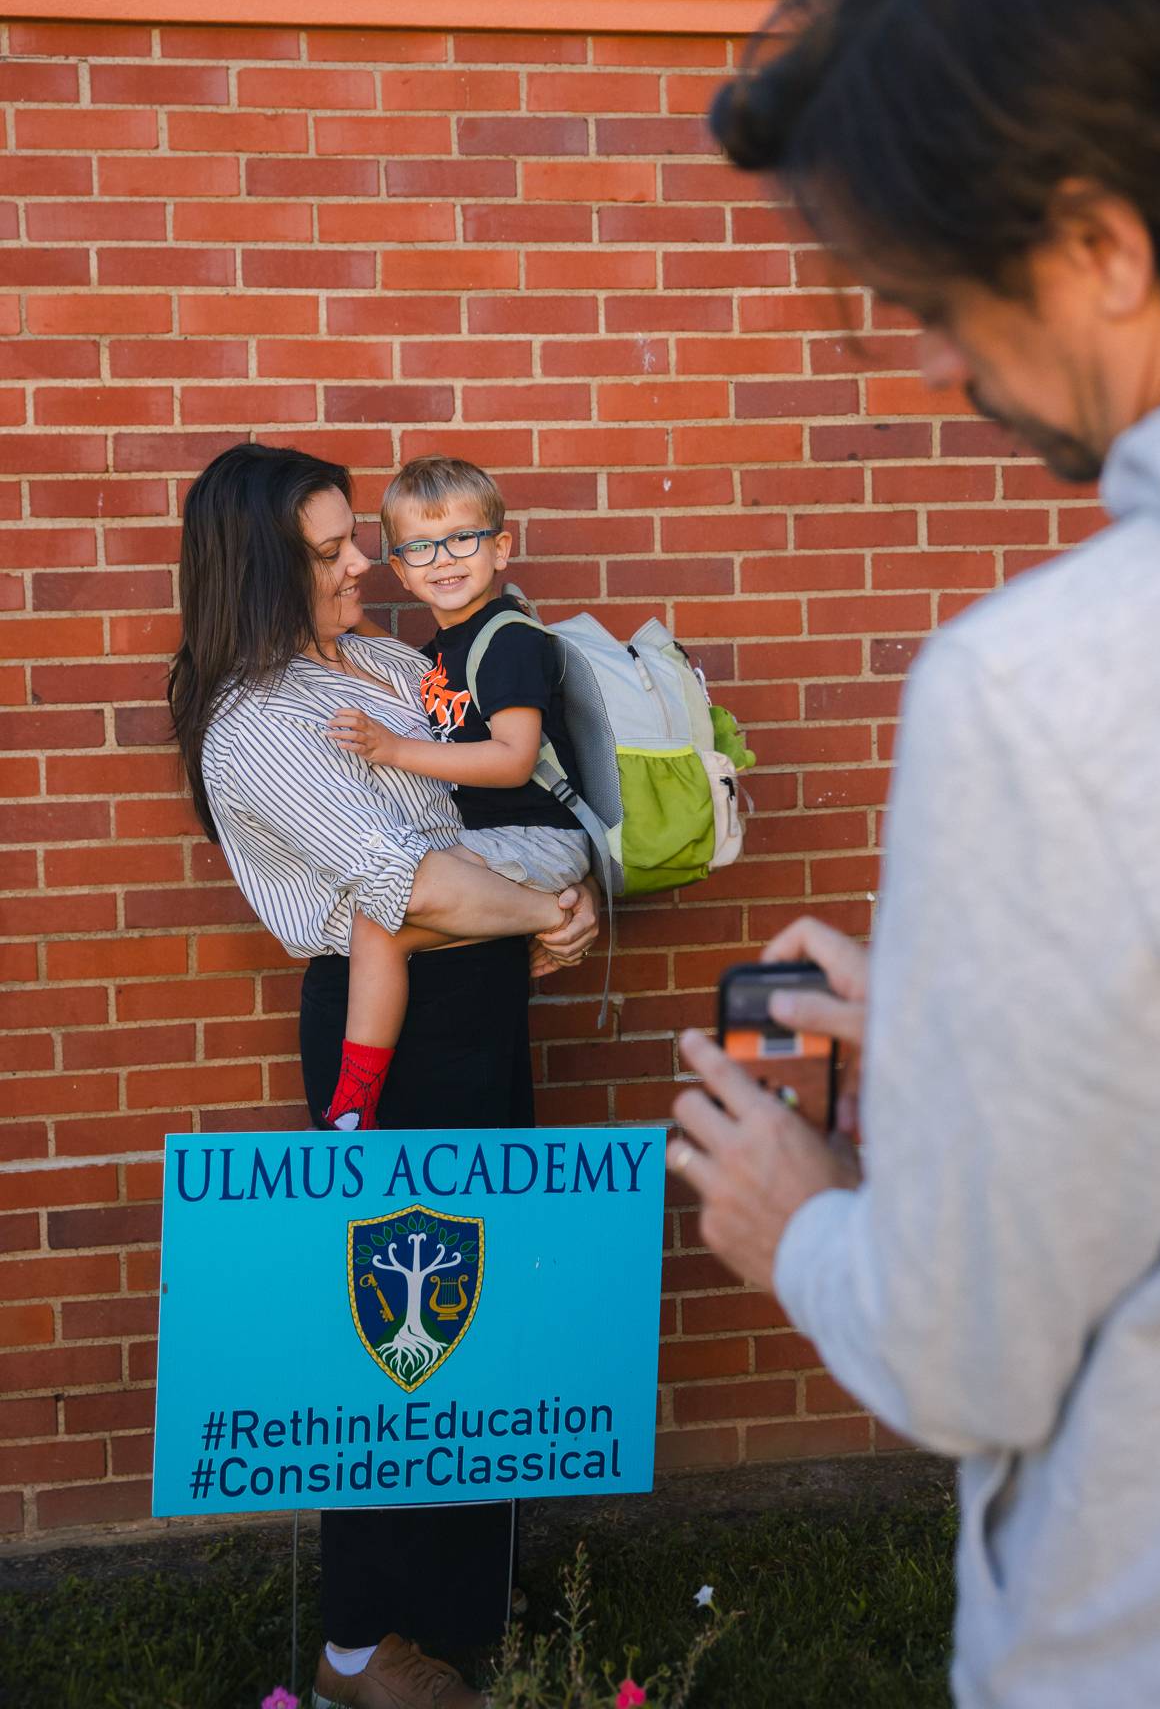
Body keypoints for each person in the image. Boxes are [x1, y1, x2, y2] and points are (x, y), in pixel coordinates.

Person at [669, 0, 1160, 1708]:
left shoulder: (1051, 691)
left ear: (1098, 245)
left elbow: (965, 1350)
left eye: (933, 304)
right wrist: (988, 1032)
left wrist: (805, 1220)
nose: (933, 370)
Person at [169, 439, 598, 1709]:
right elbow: (410, 887)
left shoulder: (391, 666)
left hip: (481, 1006)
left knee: (484, 1310)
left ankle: (459, 1609)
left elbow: (494, 819)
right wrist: (547, 909)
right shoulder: (254, 726)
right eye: (329, 550)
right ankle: (357, 1641)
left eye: (355, 535)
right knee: (391, 1339)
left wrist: (563, 898)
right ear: (261, 571)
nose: (365, 562)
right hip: (387, 1037)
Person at [322, 455, 591, 1132]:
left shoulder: (509, 641)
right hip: (493, 840)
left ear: (500, 547)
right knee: (382, 923)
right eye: (420, 547)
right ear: (401, 569)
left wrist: (392, 749)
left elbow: (513, 760)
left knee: (381, 920)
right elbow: (406, 667)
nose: (443, 560)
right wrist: (336, 618)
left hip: (537, 837)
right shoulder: (445, 648)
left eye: (462, 539)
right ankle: (356, 1099)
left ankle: (352, 1103)